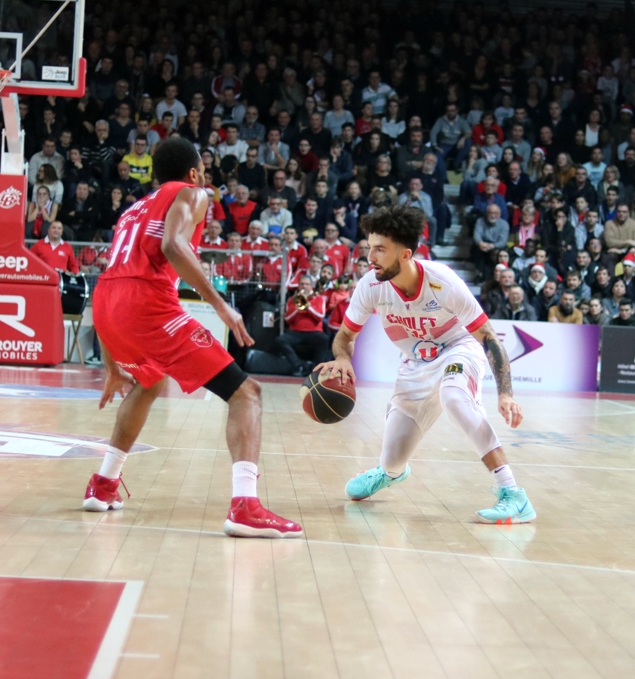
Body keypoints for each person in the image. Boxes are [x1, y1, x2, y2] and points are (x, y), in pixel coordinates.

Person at [89, 137, 301, 538]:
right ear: (193, 172)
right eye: (203, 170)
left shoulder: (133, 210)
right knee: (246, 392)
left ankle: (103, 484)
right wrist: (220, 305)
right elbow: (172, 245)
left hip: (106, 302)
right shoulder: (193, 192)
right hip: (146, 303)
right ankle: (245, 506)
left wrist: (111, 366)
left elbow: (115, 283)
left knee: (148, 382)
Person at [316, 205, 535, 524]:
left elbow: (489, 338)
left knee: (454, 397)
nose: (370, 257)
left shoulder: (442, 283)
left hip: (458, 349)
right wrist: (342, 358)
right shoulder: (370, 286)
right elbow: (345, 336)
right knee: (392, 461)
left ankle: (514, 494)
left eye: (380, 249)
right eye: (369, 248)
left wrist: (505, 394)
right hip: (415, 364)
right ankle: (390, 473)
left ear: (405, 255)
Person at [273, 275, 331, 375]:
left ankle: (316, 369)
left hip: (314, 333)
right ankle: (298, 365)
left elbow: (320, 316)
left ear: (311, 286)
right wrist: (297, 307)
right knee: (280, 340)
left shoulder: (319, 299)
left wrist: (308, 307)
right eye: (302, 284)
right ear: (298, 286)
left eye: (307, 284)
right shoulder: (292, 300)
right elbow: (288, 319)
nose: (304, 286)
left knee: (324, 339)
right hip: (296, 333)